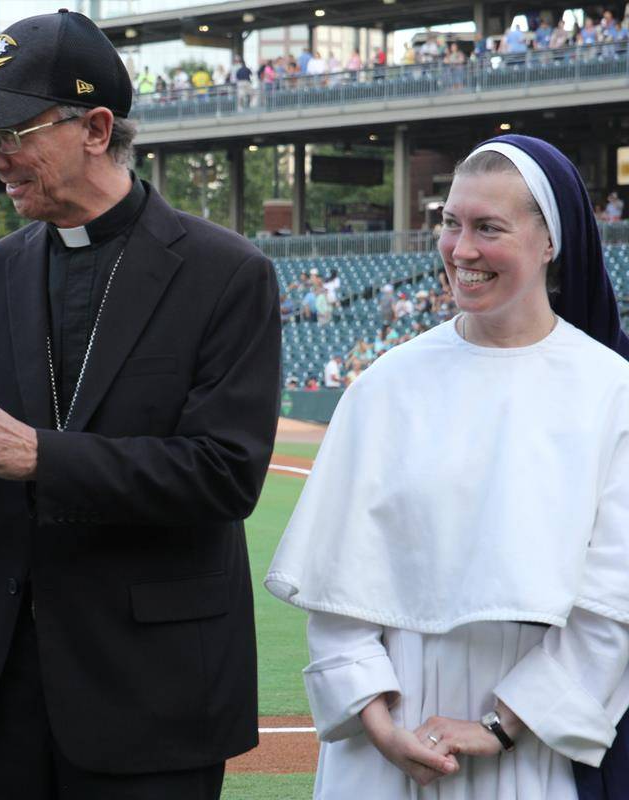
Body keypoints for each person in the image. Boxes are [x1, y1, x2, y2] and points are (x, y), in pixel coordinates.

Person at [0, 10, 280, 799]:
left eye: (10, 133)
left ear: (94, 127)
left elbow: (226, 477)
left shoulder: (228, 274)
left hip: (150, 696)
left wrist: (40, 456)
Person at [266, 134, 629, 798]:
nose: (461, 250)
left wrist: (497, 726)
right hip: (382, 740)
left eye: (489, 228)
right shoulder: (384, 385)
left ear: (551, 242)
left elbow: (611, 610)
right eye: (451, 223)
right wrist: (374, 718)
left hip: (522, 748)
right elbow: (340, 593)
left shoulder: (612, 393)